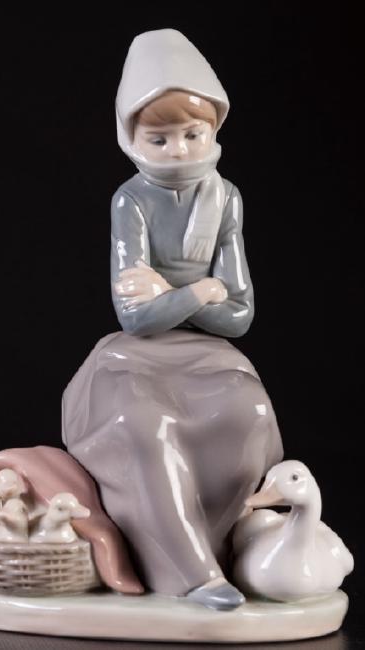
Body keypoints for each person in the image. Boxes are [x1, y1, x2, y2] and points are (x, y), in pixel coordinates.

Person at [62, 29, 283, 611]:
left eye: (192, 134)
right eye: (158, 138)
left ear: (214, 130)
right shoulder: (130, 200)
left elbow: (238, 315)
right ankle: (192, 574)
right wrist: (202, 290)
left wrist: (174, 291)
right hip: (135, 356)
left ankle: (227, 551)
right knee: (142, 424)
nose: (179, 150)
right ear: (130, 137)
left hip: (207, 354)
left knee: (250, 414)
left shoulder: (225, 198)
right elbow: (135, 317)